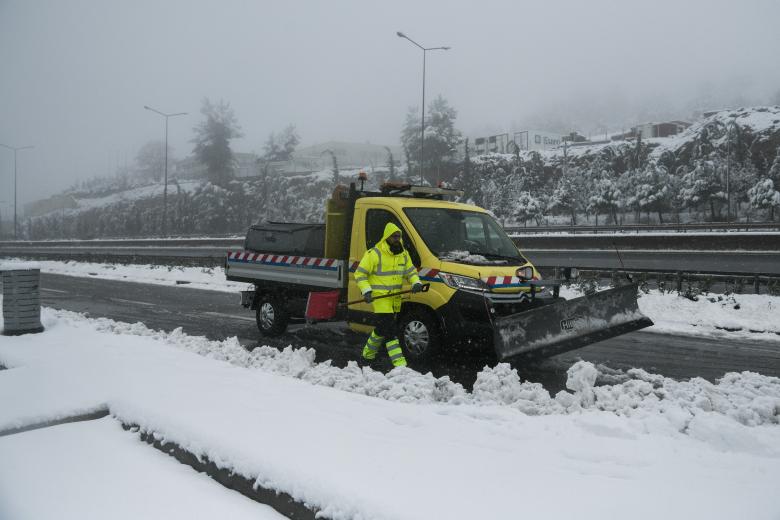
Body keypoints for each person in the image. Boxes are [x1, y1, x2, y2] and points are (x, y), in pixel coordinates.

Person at [354, 222, 423, 367]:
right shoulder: (375, 253)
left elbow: (410, 272)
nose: (397, 239)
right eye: (394, 236)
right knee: (391, 330)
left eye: (399, 236)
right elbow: (360, 273)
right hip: (380, 298)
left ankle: (367, 356)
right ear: (387, 237)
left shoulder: (403, 254)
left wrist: (416, 282)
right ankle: (400, 364)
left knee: (381, 329)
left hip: (395, 298)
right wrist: (366, 291)